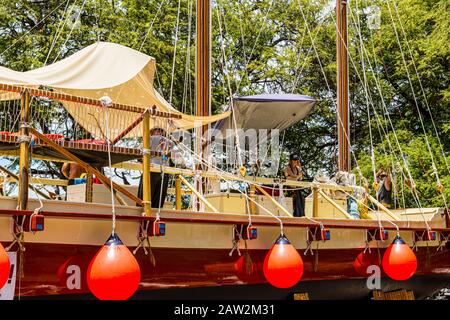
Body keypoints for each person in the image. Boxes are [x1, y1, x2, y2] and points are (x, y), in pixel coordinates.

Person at [137, 128, 174, 208]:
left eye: (160, 131)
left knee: (151, 199)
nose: (159, 133)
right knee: (152, 198)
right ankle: (150, 215)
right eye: (158, 131)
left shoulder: (151, 139)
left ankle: (150, 215)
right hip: (158, 172)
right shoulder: (170, 143)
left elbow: (138, 155)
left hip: (157, 171)